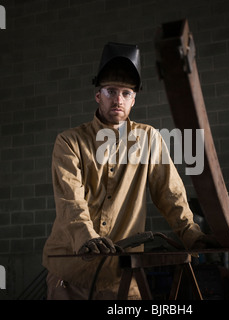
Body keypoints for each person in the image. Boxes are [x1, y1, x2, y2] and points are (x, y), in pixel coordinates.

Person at [42, 42, 213, 300]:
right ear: (98, 95)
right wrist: (86, 237)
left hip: (121, 279)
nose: (118, 99)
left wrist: (191, 235)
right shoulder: (69, 142)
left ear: (134, 99)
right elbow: (70, 199)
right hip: (70, 276)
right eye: (111, 91)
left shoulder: (148, 140)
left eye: (126, 93)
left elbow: (171, 194)